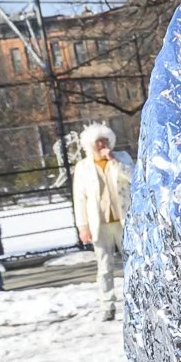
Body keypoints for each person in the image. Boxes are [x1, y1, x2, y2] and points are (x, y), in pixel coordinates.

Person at [71, 123, 134, 321]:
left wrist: (114, 161)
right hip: (100, 223)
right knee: (105, 266)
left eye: (105, 141)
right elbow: (80, 198)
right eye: (98, 142)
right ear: (90, 144)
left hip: (123, 220)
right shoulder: (83, 167)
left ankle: (135, 302)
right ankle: (107, 305)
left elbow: (134, 178)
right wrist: (83, 226)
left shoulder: (121, 158)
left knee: (132, 262)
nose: (102, 145)